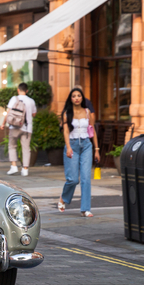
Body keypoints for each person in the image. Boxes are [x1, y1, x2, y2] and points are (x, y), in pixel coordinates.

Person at [57, 87, 100, 217]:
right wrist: (68, 147)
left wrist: (96, 149)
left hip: (86, 145)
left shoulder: (87, 112)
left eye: (79, 96)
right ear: (71, 98)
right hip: (73, 145)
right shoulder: (67, 113)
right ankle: (64, 198)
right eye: (74, 96)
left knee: (86, 178)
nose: (76, 98)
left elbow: (92, 131)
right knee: (73, 179)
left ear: (82, 98)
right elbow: (65, 131)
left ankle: (85, 209)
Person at [0, 82, 37, 176]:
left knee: (12, 146)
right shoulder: (31, 101)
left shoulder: (14, 99)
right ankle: (25, 169)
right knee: (26, 148)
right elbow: (34, 114)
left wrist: (3, 123)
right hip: (27, 128)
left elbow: (8, 112)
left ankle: (14, 166)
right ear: (27, 90)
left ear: (18, 90)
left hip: (14, 126)